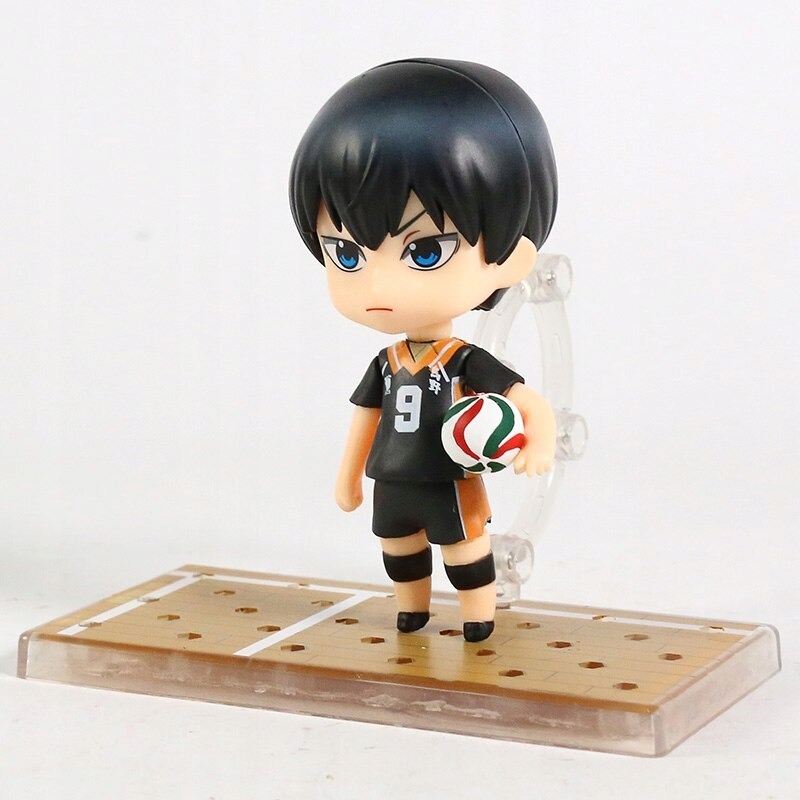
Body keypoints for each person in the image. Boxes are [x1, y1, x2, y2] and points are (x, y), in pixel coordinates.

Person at [289, 58, 558, 641]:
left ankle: (478, 616)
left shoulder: (462, 360)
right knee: (398, 548)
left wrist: (539, 441)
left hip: (449, 478)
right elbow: (365, 417)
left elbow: (527, 399)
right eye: (346, 254)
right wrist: (349, 475)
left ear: (511, 256)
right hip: (393, 477)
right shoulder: (387, 363)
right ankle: (411, 609)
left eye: (425, 251)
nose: (378, 286)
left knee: (465, 551)